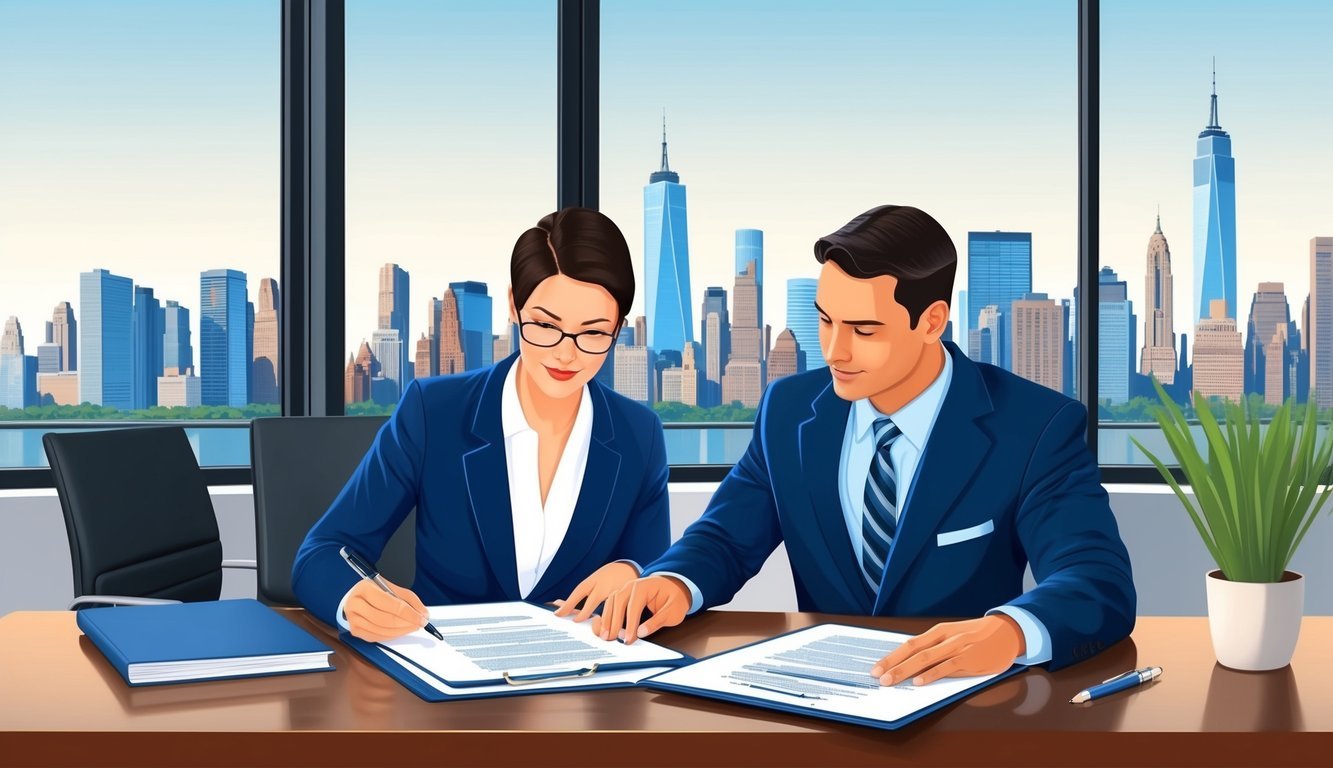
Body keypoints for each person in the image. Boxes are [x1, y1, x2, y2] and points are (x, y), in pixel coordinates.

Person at [570, 204, 1136, 684]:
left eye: (864, 331)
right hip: (822, 702)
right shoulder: (788, 412)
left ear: (932, 321)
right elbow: (724, 540)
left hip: (964, 712)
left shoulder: (1034, 426)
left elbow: (1095, 579)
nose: (835, 351)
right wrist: (674, 582)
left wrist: (1012, 631)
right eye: (824, 321)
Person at [293, 208, 670, 642]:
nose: (567, 353)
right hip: (448, 677)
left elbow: (658, 566)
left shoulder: (639, 432)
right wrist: (352, 597)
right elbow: (321, 553)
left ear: (620, 327)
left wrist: (632, 570)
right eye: (545, 325)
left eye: (594, 333)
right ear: (514, 305)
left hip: (584, 685)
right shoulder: (433, 412)